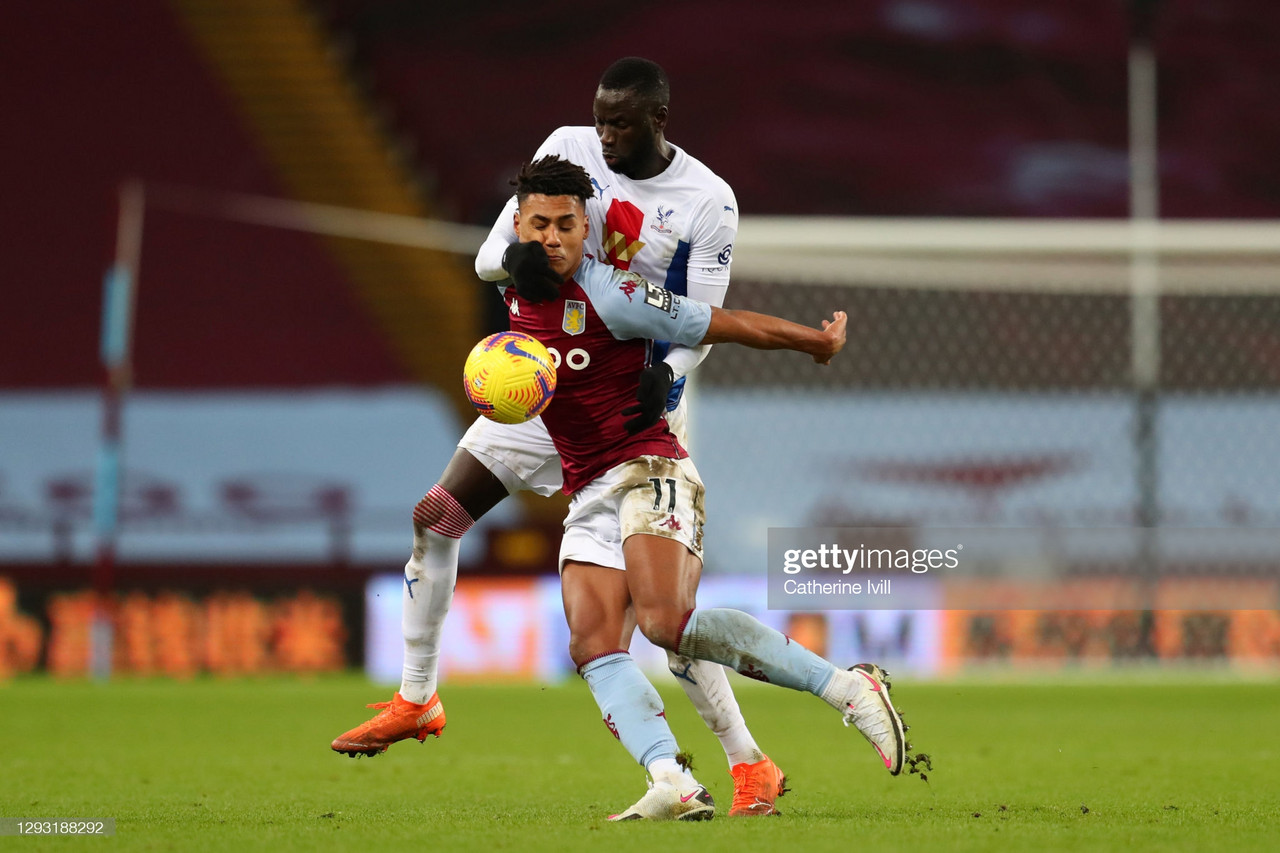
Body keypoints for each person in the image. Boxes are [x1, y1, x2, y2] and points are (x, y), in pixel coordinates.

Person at [333, 57, 788, 817]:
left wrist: (668, 377)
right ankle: (417, 697)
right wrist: (512, 259)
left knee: (664, 620)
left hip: (624, 405)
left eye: (622, 121)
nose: (605, 132)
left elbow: (699, 321)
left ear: (658, 118)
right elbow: (486, 258)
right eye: (600, 116)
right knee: (435, 516)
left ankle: (750, 763)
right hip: (544, 384)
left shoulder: (709, 199)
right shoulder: (566, 150)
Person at [497, 155, 907, 821]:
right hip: (588, 487)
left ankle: (848, 687)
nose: (551, 237)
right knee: (592, 643)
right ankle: (672, 779)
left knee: (665, 624)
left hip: (650, 468)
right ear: (519, 223)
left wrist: (814, 343)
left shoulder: (614, 293)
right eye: (538, 224)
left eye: (565, 225)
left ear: (585, 226)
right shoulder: (513, 281)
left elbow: (722, 322)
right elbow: (495, 261)